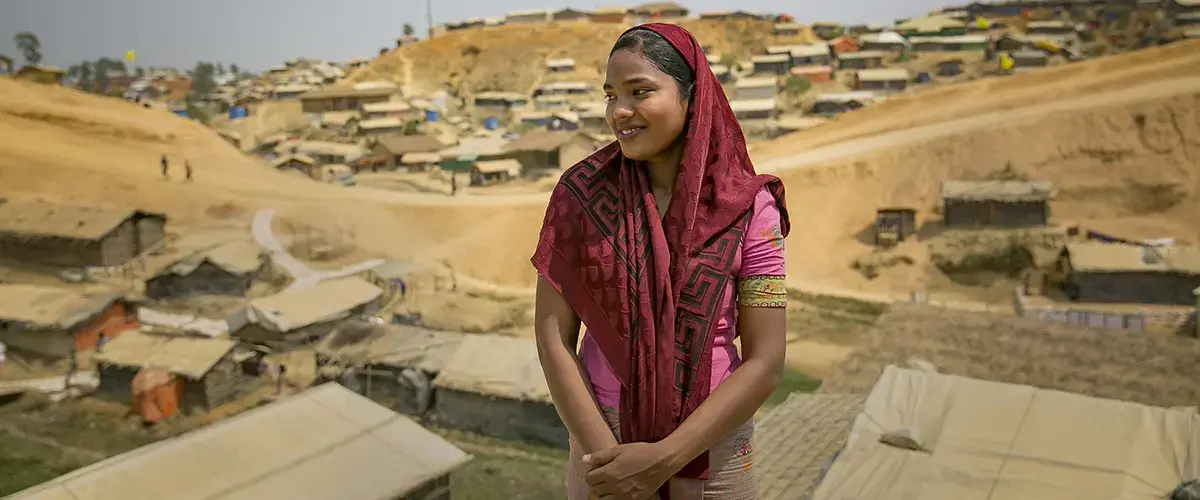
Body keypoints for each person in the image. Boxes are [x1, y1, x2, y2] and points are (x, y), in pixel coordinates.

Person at [531, 24, 790, 500]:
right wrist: (608, 459)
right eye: (611, 95)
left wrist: (666, 458)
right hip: (601, 450)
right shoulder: (580, 197)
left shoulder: (750, 209)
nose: (619, 112)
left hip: (716, 449)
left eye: (640, 92)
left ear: (693, 96)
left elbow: (766, 358)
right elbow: (553, 338)